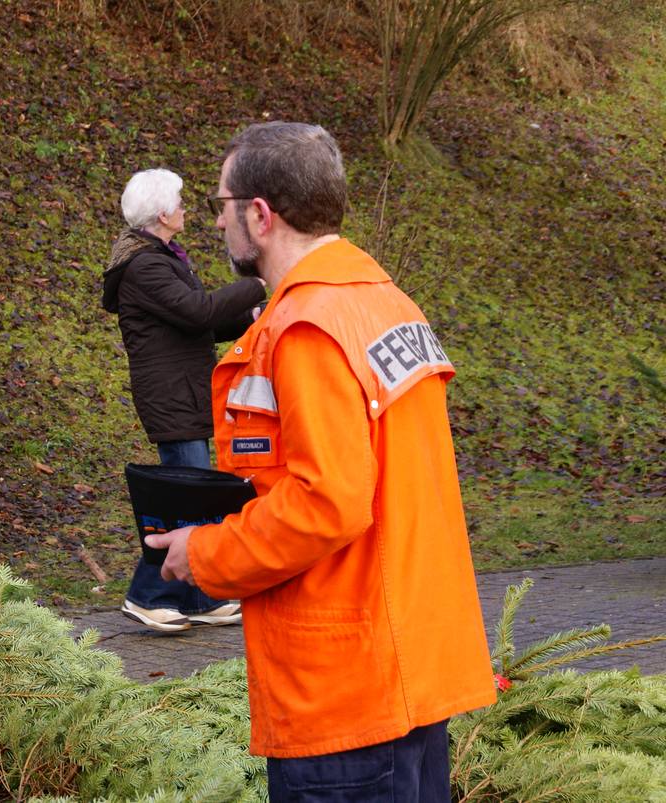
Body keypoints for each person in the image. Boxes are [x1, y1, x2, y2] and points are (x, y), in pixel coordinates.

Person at [146, 122, 496, 801]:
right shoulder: (386, 304)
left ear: (259, 213)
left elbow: (328, 499)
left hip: (345, 694)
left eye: (221, 203)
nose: (216, 221)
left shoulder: (305, 329)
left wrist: (207, 553)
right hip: (410, 670)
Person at [102, 168, 266, 632]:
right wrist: (256, 281)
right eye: (179, 202)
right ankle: (147, 595)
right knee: (186, 502)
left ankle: (200, 594)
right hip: (170, 395)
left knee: (194, 494)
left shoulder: (164, 259)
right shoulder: (146, 266)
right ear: (161, 213)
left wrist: (250, 318)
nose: (185, 210)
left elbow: (204, 326)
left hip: (185, 392)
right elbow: (199, 310)